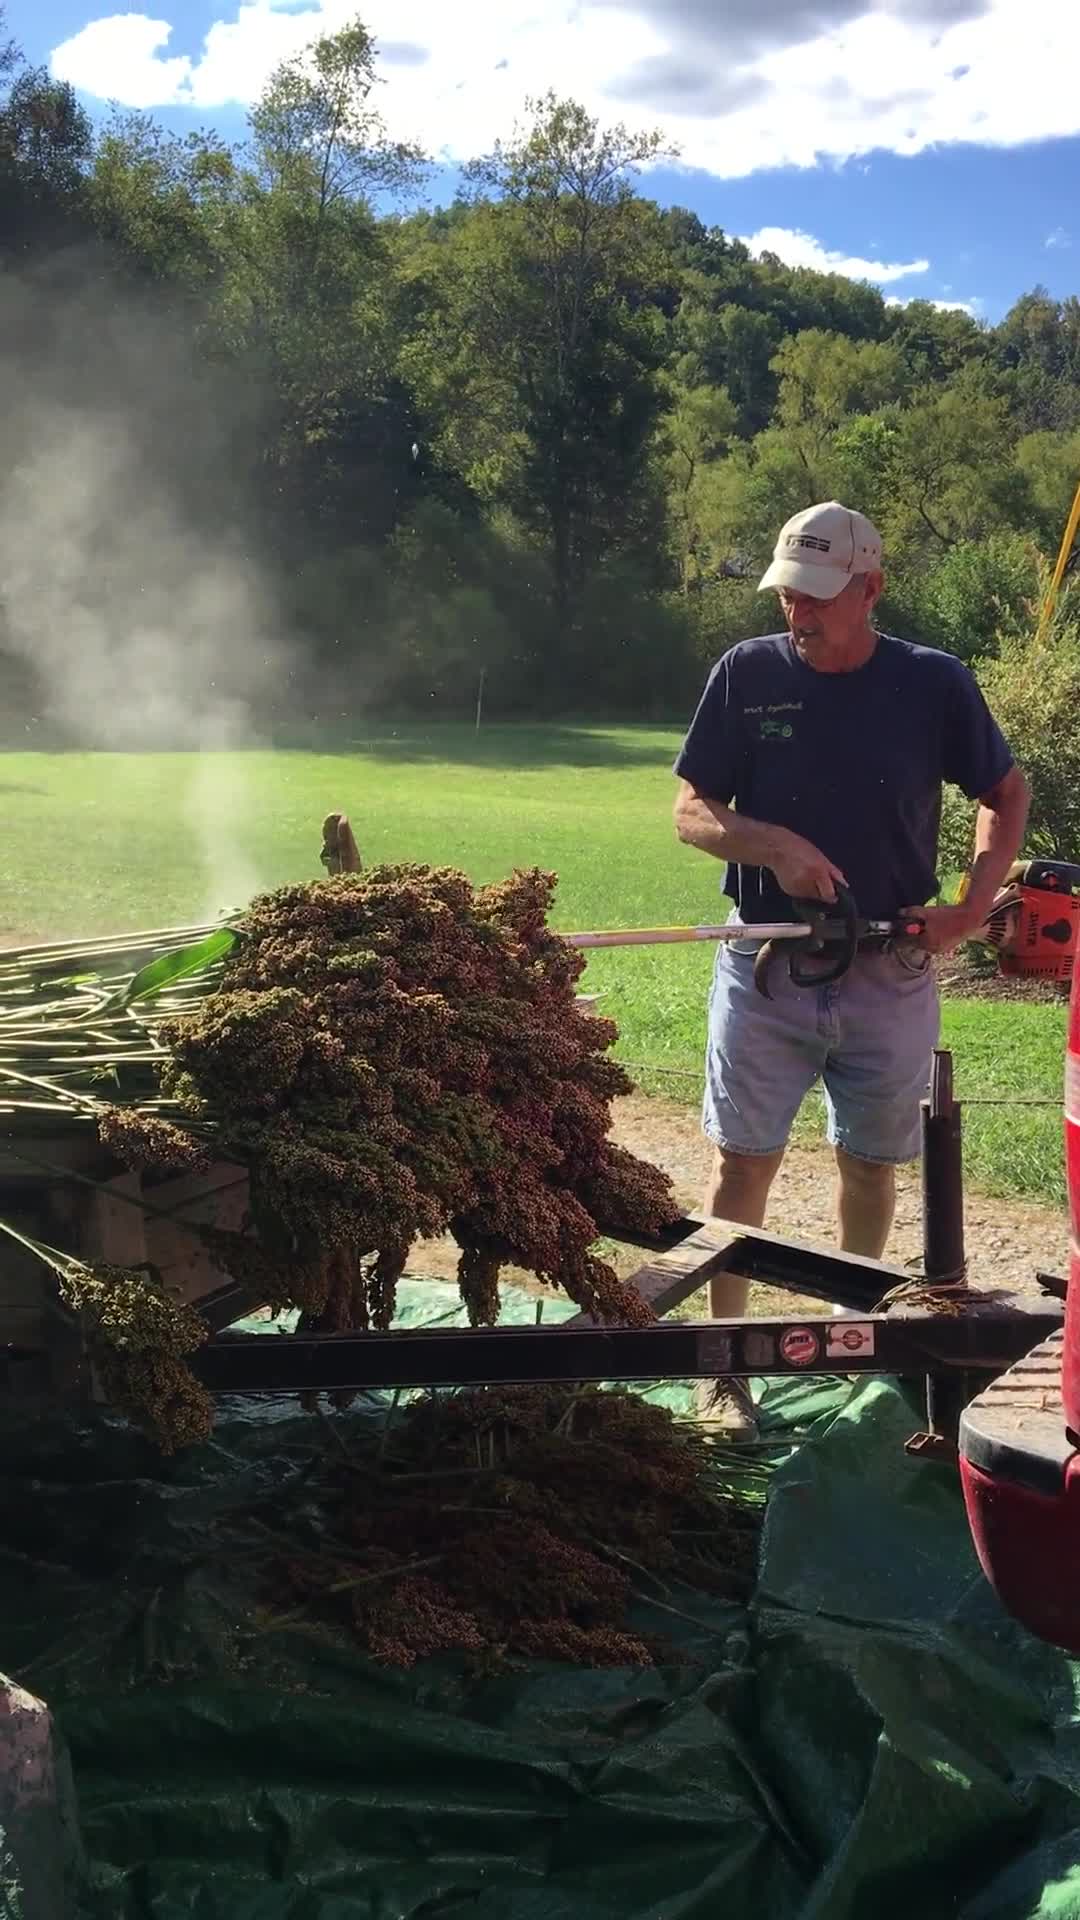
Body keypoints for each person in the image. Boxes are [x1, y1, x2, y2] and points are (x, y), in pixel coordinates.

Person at [673, 500, 1030, 1436]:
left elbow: (1004, 792)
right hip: (768, 967)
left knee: (871, 1165)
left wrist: (967, 908)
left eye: (820, 595)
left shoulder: (932, 683)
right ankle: (724, 1367)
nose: (800, 611)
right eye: (790, 592)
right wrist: (769, 842)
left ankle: (849, 1335)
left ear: (870, 588)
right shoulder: (745, 674)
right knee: (740, 1168)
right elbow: (690, 810)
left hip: (891, 968)